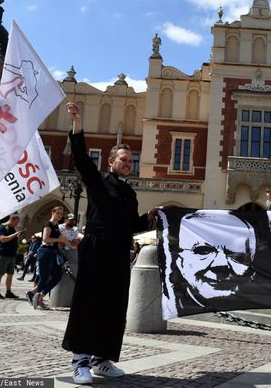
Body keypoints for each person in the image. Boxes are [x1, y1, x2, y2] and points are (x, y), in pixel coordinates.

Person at [62, 101, 159, 385]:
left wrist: (150, 217)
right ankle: (80, 361)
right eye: (123, 160)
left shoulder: (129, 193)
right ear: (111, 162)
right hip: (96, 246)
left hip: (119, 251)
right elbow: (80, 157)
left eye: (131, 161)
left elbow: (132, 226)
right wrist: (77, 122)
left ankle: (102, 360)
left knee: (114, 305)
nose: (129, 164)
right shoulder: (97, 182)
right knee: (89, 301)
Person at [172, 211, 256, 312]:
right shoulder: (170, 304)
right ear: (181, 263)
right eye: (204, 251)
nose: (221, 264)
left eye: (237, 255)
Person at [26, 205, 70, 310]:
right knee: (44, 277)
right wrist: (59, 239)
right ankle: (38, 298)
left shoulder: (56, 226)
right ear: (53, 213)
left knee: (58, 275)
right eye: (57, 213)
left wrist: (71, 244)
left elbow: (61, 240)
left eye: (61, 213)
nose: (59, 215)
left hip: (53, 253)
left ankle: (36, 294)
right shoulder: (48, 224)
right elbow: (45, 239)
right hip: (45, 252)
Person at [0, 213, 22, 299]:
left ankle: (8, 292)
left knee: (10, 274)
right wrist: (15, 234)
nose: (17, 224)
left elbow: (12, 239)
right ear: (12, 220)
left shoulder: (12, 228)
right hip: (3, 254)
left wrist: (17, 236)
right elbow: (3, 239)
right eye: (16, 222)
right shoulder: (2, 227)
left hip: (11, 255)